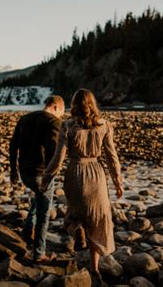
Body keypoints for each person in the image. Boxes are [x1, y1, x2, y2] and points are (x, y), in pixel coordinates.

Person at [40, 89, 124, 277]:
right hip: (96, 175)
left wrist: (46, 179)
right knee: (97, 220)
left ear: (74, 105)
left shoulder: (67, 125)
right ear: (93, 104)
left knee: (75, 214)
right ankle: (94, 268)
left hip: (75, 174)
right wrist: (118, 181)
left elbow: (58, 158)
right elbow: (112, 156)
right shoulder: (105, 125)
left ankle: (78, 229)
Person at [9, 95, 65, 262]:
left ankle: (28, 230)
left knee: (38, 197)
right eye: (62, 112)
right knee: (44, 212)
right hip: (41, 174)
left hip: (24, 173)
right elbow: (52, 152)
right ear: (55, 107)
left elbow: (13, 145)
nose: (61, 116)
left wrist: (13, 171)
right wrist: (49, 176)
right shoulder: (54, 122)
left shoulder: (25, 118)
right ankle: (39, 253)